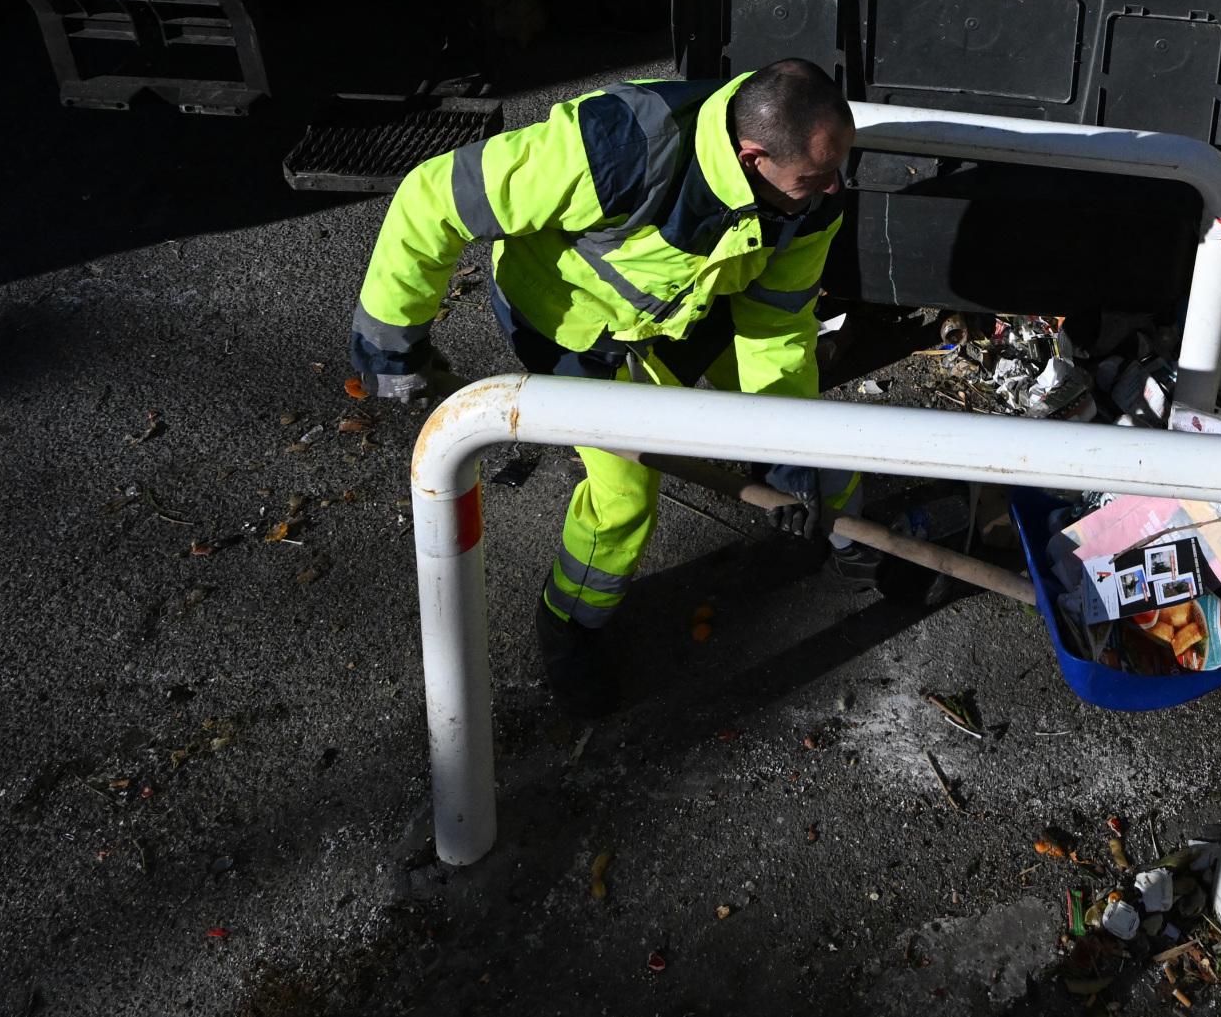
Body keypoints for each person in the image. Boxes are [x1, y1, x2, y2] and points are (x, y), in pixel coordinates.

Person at [349, 59, 893, 713]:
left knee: (817, 431)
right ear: (752, 157)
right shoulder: (614, 147)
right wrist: (390, 340)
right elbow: (431, 197)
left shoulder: (806, 202)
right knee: (624, 498)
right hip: (573, 327)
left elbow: (777, 329)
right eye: (814, 178)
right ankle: (570, 622)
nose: (835, 190)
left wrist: (789, 451)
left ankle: (854, 541)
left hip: (686, 308)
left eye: (837, 170)